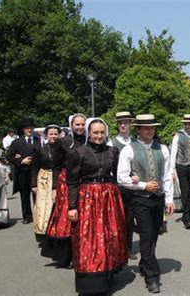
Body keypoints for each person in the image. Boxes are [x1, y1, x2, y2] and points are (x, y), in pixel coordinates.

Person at [67, 118, 127, 294]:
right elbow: (72, 182)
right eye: (95, 133)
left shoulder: (113, 151)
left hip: (109, 198)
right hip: (87, 199)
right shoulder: (78, 153)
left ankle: (107, 275)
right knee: (89, 239)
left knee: (109, 235)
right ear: (89, 133)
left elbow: (118, 175)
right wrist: (72, 206)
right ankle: (90, 283)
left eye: (102, 132)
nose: (99, 136)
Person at [117, 114, 174, 294]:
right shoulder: (129, 149)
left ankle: (144, 262)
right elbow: (121, 177)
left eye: (152, 128)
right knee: (146, 235)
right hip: (139, 200)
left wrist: (169, 199)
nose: (150, 131)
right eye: (146, 128)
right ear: (138, 130)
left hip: (157, 199)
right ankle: (152, 277)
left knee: (155, 234)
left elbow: (166, 176)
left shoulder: (162, 149)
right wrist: (143, 185)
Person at [42, 113, 86, 267]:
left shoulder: (89, 140)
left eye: (82, 124)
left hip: (85, 182)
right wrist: (54, 188)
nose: (80, 127)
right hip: (66, 182)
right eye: (77, 124)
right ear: (71, 125)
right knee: (68, 218)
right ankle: (67, 255)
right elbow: (55, 166)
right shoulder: (62, 142)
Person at [111, 111, 137, 260]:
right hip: (119, 186)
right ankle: (118, 247)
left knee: (130, 218)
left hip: (135, 186)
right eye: (120, 122)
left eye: (125, 122)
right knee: (119, 218)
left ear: (130, 124)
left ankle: (128, 247)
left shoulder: (135, 142)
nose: (123, 125)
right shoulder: (112, 143)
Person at [170, 114, 190, 229]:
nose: (188, 126)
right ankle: (186, 217)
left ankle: (188, 213)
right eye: (186, 124)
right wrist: (172, 169)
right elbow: (173, 153)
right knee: (184, 190)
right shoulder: (178, 136)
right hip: (181, 165)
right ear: (184, 124)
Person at [31, 125, 62, 244]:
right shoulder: (40, 150)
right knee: (43, 207)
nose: (53, 136)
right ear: (46, 135)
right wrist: (34, 184)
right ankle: (42, 234)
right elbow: (34, 167)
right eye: (51, 134)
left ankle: (55, 232)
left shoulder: (62, 149)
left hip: (58, 178)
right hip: (44, 178)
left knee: (56, 207)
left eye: (55, 134)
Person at [8, 118, 39, 224]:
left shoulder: (38, 140)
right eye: (27, 128)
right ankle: (27, 216)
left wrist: (31, 159)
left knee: (38, 195)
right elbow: (10, 156)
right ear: (23, 130)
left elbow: (42, 154)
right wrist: (21, 160)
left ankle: (38, 215)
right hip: (23, 172)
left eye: (31, 128)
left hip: (36, 172)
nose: (29, 130)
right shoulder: (16, 142)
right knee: (24, 196)